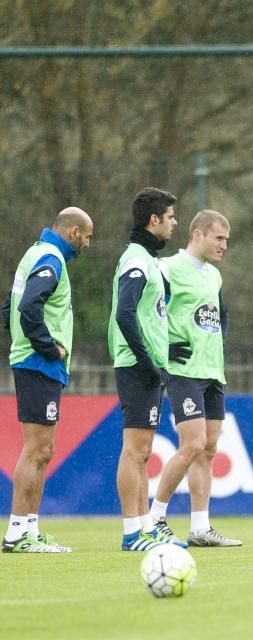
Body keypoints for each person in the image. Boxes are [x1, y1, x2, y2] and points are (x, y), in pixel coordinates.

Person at [2, 208, 94, 553]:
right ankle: (16, 534)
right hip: (38, 363)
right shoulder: (51, 257)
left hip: (35, 362)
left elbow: (8, 307)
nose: (88, 243)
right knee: (37, 448)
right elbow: (28, 307)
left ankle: (29, 529)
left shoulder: (35, 253)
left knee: (44, 450)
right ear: (72, 232)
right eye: (86, 235)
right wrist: (47, 347)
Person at [148, 210, 240, 547]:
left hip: (212, 371)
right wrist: (166, 347)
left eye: (226, 240)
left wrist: (218, 343)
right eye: (219, 238)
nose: (224, 246)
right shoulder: (167, 269)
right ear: (198, 234)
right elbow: (149, 312)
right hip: (184, 371)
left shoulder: (214, 276)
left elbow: (221, 314)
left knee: (209, 449)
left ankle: (200, 526)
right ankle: (155, 517)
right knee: (193, 445)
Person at [109, 187, 186, 551]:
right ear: (153, 219)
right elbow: (125, 314)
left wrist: (167, 352)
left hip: (148, 366)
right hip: (137, 366)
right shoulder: (137, 260)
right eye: (170, 217)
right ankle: (131, 532)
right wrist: (147, 362)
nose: (174, 223)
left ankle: (143, 530)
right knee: (134, 449)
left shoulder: (148, 260)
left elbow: (146, 317)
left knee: (143, 451)